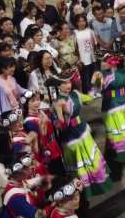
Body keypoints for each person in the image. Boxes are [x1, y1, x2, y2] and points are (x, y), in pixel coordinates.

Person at [48, 70, 112, 198]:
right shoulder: (56, 103)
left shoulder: (75, 94)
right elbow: (60, 126)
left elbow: (91, 96)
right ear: (58, 86)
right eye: (63, 83)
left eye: (68, 81)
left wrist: (96, 81)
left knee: (92, 160)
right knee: (79, 166)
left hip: (82, 131)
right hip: (71, 137)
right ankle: (83, 191)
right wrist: (62, 112)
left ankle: (97, 184)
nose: (67, 85)